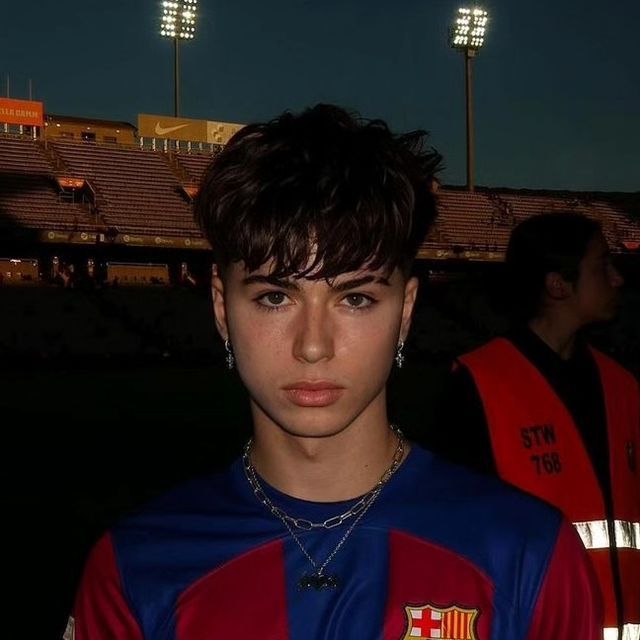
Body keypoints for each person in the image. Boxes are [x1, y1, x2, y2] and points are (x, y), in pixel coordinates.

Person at [66, 106, 602, 640]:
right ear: (223, 310)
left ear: (406, 312)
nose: (314, 345)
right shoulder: (136, 568)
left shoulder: (527, 555)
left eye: (357, 298)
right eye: (275, 297)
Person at [431, 212, 639, 640]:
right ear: (557, 284)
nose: (617, 279)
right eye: (601, 266)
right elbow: (455, 541)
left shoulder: (624, 386)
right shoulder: (479, 383)